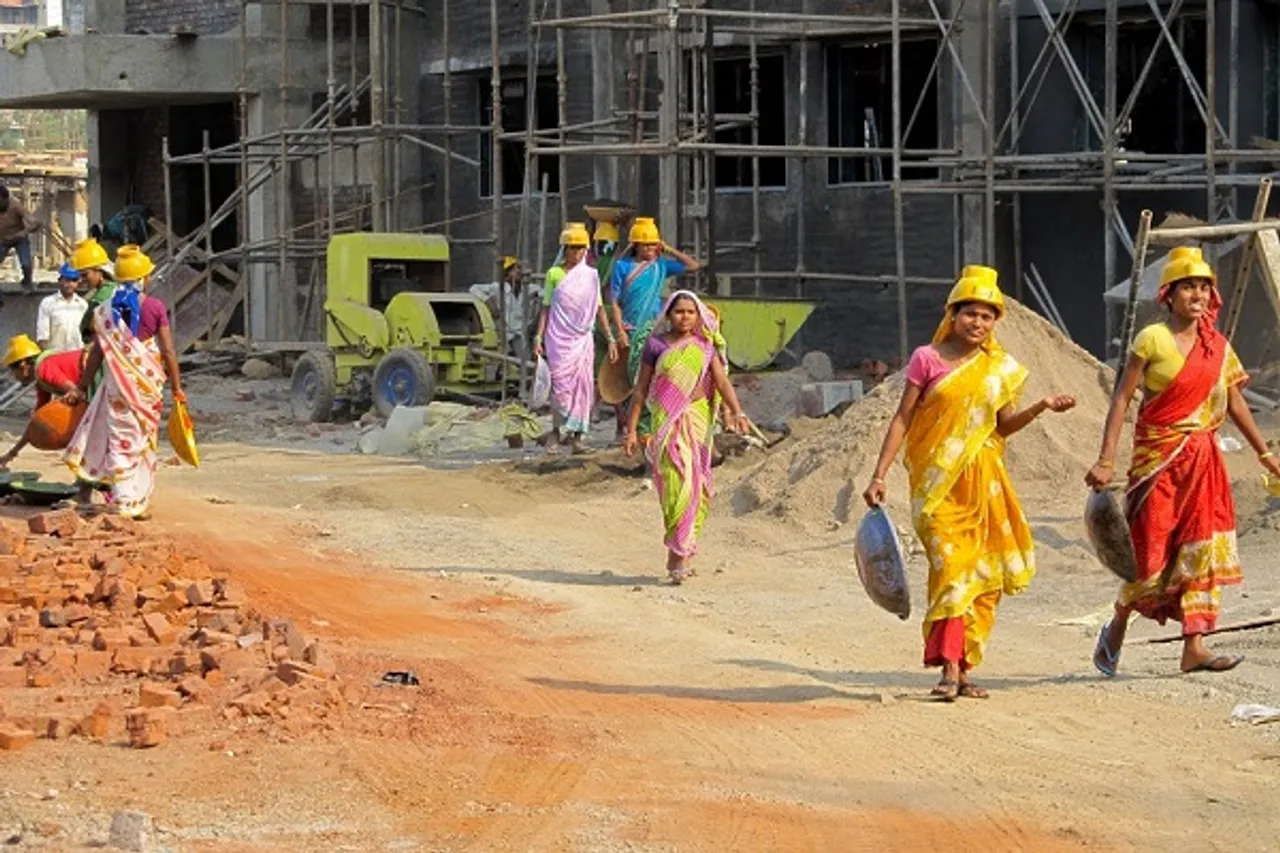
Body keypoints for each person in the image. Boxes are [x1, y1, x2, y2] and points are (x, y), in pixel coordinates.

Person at [863, 266, 1076, 701]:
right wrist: (880, 473)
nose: (978, 323)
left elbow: (1002, 427)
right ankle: (946, 667)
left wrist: (1041, 407)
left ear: (995, 322)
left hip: (985, 483)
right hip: (938, 486)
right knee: (951, 569)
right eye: (970, 314)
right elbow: (903, 418)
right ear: (952, 315)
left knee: (983, 579)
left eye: (986, 316)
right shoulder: (927, 358)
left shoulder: (1000, 369)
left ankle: (962, 668)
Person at [1086, 246, 1280, 676]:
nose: (1197, 294)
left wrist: (1265, 454)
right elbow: (1121, 399)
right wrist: (1105, 460)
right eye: (1188, 286)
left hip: (1204, 463)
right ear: (1169, 295)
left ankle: (1194, 646)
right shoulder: (1150, 340)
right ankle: (1119, 620)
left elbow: (1234, 403)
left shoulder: (1219, 348)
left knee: (1201, 552)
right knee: (1150, 554)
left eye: (1204, 287)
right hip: (1157, 462)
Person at [624, 290, 750, 585]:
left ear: (699, 317)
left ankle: (680, 554)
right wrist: (632, 430)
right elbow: (641, 389)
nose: (685, 317)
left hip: (697, 419)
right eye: (679, 311)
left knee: (695, 485)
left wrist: (737, 411)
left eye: (691, 312)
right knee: (675, 485)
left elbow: (720, 382)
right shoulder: (655, 345)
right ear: (668, 314)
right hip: (665, 423)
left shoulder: (705, 346)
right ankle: (677, 548)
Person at [63, 245, 185, 519]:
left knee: (120, 437)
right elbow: (168, 351)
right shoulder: (154, 307)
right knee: (142, 438)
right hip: (147, 386)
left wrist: (82, 387)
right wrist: (177, 387)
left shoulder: (104, 311)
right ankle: (133, 500)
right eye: (149, 275)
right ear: (142, 278)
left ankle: (124, 497)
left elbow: (96, 354)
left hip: (117, 385)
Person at [608, 217, 701, 440]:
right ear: (636, 246)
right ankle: (633, 429)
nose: (650, 249)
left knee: (656, 381)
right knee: (634, 382)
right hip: (631, 332)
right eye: (646, 244)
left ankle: (654, 427)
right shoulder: (622, 267)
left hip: (655, 332)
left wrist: (668, 248)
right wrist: (620, 331)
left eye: (653, 244)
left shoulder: (661, 266)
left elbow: (693, 265)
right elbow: (614, 302)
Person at [533, 223, 618, 454]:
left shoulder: (591, 276)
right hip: (558, 339)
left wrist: (610, 338)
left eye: (581, 249)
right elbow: (546, 308)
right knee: (560, 387)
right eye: (572, 248)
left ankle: (577, 437)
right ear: (564, 249)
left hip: (582, 339)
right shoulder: (554, 274)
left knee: (583, 386)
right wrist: (538, 336)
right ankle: (556, 432)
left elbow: (599, 308)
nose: (576, 253)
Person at [0, 333, 87, 469]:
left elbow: (75, 392)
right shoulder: (42, 381)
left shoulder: (44, 368)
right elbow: (36, 422)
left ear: (23, 365)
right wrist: (12, 453)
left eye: (13, 371)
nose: (14, 377)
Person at [468, 256, 541, 357]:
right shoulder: (498, 288)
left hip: (526, 331)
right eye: (516, 269)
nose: (520, 272)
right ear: (508, 273)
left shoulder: (529, 289)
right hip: (510, 333)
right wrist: (488, 301)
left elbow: (546, 293)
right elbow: (474, 288)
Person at [69, 238, 116, 347]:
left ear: (99, 271)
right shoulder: (110, 290)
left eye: (85, 275)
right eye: (79, 276)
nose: (81, 280)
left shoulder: (102, 297)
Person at [36, 263, 90, 353]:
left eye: (73, 280)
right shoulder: (48, 303)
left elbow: (87, 335)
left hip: (77, 356)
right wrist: (45, 357)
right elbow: (42, 336)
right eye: (67, 280)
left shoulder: (83, 305)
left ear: (78, 283)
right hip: (55, 356)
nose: (70, 284)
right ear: (60, 280)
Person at [0, 185, 39, 292]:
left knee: (26, 264)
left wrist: (25, 232)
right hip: (3, 240)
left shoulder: (15, 206)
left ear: (5, 199)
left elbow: (34, 222)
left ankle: (27, 282)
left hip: (19, 238)